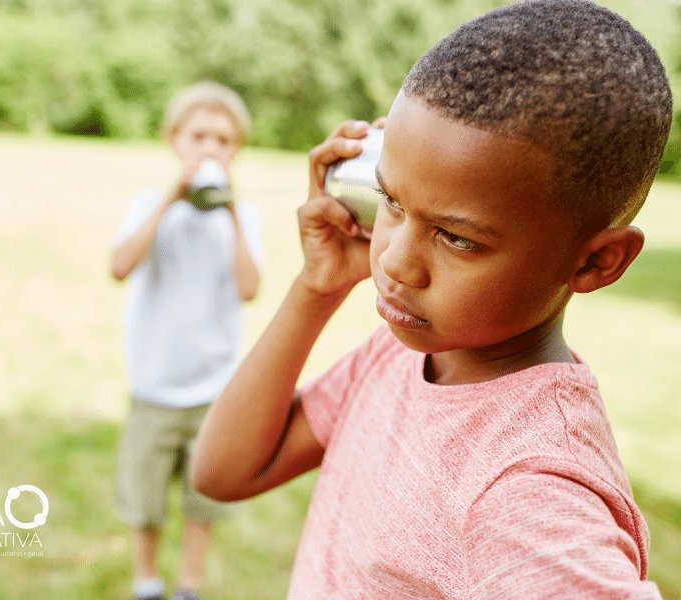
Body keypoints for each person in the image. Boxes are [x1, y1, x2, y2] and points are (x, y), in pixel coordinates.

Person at [190, 1, 672, 597]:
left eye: (457, 238)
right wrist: (317, 287)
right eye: (391, 201)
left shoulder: (531, 485)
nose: (394, 262)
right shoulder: (405, 353)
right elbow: (223, 471)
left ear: (597, 261)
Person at [111, 81, 262, 600]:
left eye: (224, 140)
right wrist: (170, 200)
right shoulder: (149, 205)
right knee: (145, 499)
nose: (211, 149)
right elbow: (119, 266)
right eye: (199, 137)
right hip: (155, 385)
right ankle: (146, 580)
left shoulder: (243, 217)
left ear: (237, 150)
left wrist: (232, 211)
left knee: (204, 499)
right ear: (173, 139)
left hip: (213, 389)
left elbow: (249, 288)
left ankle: (189, 586)